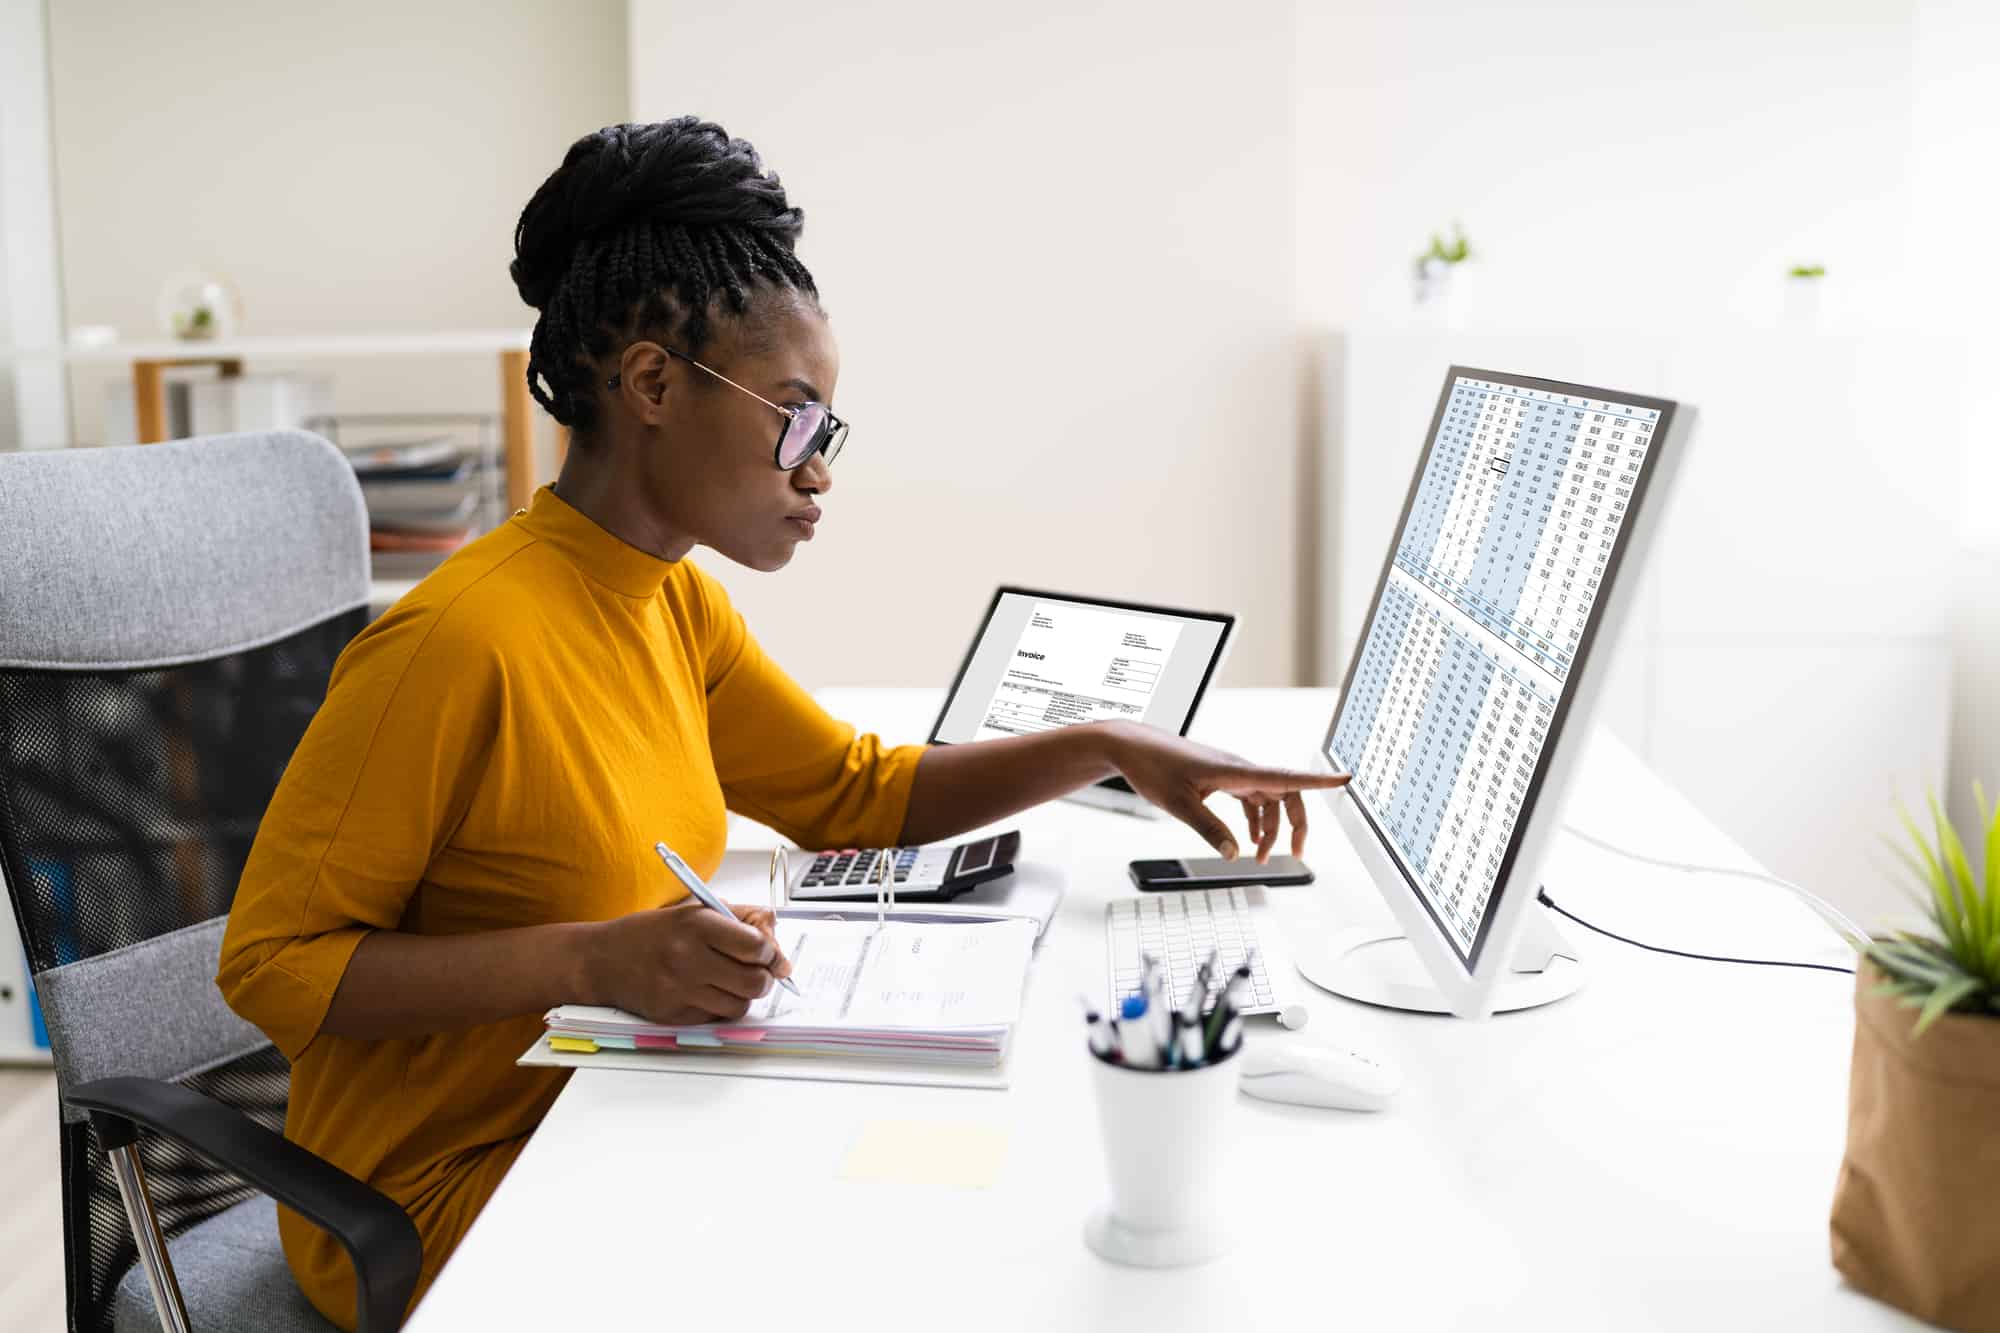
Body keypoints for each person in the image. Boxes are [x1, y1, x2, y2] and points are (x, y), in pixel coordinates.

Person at [217, 116, 1348, 1328]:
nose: (818, 472)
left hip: (614, 1110)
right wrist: (595, 959)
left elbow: (860, 796)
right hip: (443, 1200)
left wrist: (1107, 744)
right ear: (652, 384)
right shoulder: (454, 643)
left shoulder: (673, 604)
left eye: (829, 432)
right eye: (796, 420)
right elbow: (272, 967)